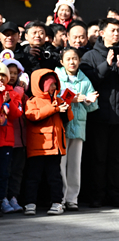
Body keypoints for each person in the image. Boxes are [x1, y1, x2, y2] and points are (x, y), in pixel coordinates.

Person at [80, 18, 119, 208]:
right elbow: (89, 81)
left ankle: (114, 194)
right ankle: (97, 195)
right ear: (101, 33)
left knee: (116, 158)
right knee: (98, 157)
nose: (116, 34)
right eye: (112, 30)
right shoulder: (90, 56)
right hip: (98, 115)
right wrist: (106, 65)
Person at [22, 69, 72, 216]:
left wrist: (66, 108)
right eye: (50, 84)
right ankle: (30, 203)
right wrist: (54, 108)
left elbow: (69, 117)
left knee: (54, 177)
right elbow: (32, 115)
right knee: (33, 177)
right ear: (42, 85)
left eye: (55, 84)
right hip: (38, 146)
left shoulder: (58, 100)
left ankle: (57, 202)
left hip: (55, 147)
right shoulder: (32, 101)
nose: (53, 87)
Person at [55, 48, 99, 211]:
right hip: (61, 126)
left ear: (79, 61)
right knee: (60, 164)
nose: (72, 62)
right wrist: (73, 98)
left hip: (79, 126)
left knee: (75, 164)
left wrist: (89, 101)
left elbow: (92, 107)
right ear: (62, 62)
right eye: (68, 59)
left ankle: (72, 199)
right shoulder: (56, 76)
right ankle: (60, 198)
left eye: (74, 58)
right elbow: (53, 97)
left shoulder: (85, 80)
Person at [1, 58, 26, 214]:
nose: (11, 76)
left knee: (10, 171)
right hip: (3, 139)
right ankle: (3, 198)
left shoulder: (15, 93)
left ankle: (9, 198)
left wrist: (9, 101)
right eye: (7, 73)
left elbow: (17, 113)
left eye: (14, 73)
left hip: (11, 139)